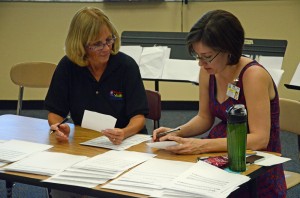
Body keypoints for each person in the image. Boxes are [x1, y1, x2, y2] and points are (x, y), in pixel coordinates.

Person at [152, 10, 286, 197]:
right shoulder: (209, 71)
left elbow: (259, 139)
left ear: (228, 49)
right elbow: (204, 118)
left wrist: (200, 146)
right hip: (220, 152)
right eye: (197, 56)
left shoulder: (253, 75)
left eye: (207, 56)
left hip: (255, 164)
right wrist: (174, 133)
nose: (201, 64)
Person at [45, 7, 148, 145]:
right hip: (84, 141)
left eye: (109, 40)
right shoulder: (67, 66)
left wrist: (124, 132)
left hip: (127, 142)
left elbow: (139, 117)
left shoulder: (126, 66)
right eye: (97, 44)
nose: (106, 48)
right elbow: (55, 112)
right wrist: (59, 127)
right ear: (81, 45)